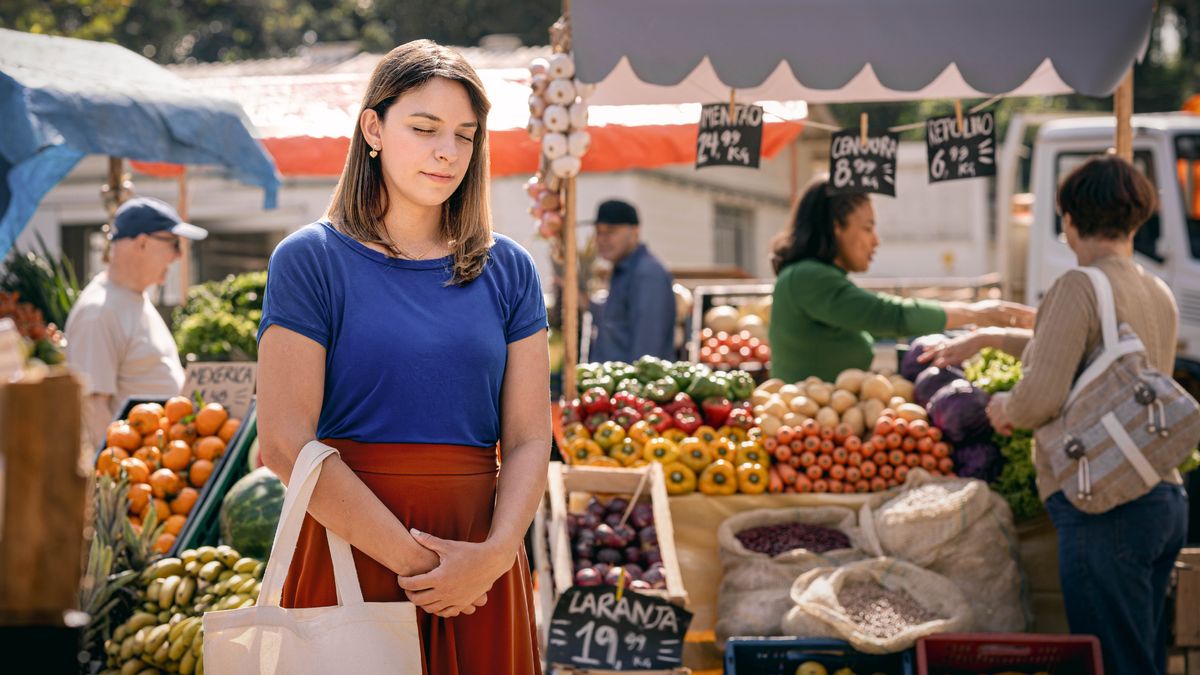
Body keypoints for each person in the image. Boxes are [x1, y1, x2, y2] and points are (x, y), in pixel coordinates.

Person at [255, 40, 549, 673]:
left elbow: (528, 439)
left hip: (483, 560)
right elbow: (284, 443)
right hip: (351, 552)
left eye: (466, 136)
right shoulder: (310, 260)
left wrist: (494, 559)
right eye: (424, 128)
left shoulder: (512, 270)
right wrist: (429, 570)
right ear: (373, 129)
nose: (449, 151)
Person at [958, 156, 1184, 675]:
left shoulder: (1079, 286)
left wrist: (1003, 408)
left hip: (1104, 502)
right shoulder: (1157, 291)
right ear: (1136, 217)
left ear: (1069, 218)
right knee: (1142, 658)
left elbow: (1040, 397)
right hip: (1160, 495)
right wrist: (996, 336)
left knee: (1110, 662)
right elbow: (1102, 367)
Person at [767, 178, 1034, 382]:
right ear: (836, 228)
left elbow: (877, 318)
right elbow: (888, 316)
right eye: (867, 228)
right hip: (807, 430)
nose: (876, 240)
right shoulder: (807, 277)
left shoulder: (814, 277)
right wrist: (977, 314)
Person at [65, 196, 208, 448]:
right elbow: (92, 408)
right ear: (142, 243)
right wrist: (127, 478)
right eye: (174, 243)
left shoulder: (133, 298)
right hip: (136, 476)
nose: (178, 255)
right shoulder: (98, 312)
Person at [589, 199, 677, 362]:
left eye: (610, 231)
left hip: (633, 385)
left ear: (634, 232)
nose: (602, 239)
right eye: (599, 232)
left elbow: (647, 353)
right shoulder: (622, 269)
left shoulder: (647, 274)